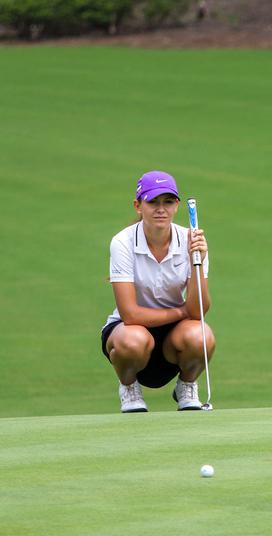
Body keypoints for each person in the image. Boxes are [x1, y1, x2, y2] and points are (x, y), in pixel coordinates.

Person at [101, 170, 215, 413]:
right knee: (134, 339)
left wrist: (198, 260)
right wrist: (182, 311)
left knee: (202, 335)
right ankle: (129, 388)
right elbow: (130, 315)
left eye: (168, 201)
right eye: (153, 202)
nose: (161, 208)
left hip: (175, 337)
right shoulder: (122, 242)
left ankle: (187, 386)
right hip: (129, 332)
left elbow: (199, 311)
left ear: (177, 206)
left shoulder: (191, 241)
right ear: (138, 206)